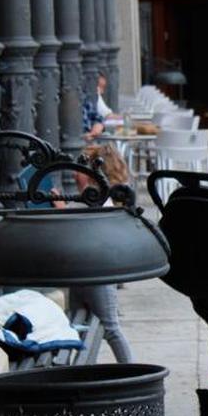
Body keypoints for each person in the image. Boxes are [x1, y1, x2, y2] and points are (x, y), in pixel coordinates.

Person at [57, 144, 134, 363]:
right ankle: (84, 368)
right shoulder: (91, 197)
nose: (75, 173)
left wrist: (60, 207)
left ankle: (130, 370)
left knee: (110, 327)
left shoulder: (99, 200)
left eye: (80, 169)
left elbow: (76, 223)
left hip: (98, 274)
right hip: (81, 272)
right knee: (79, 325)